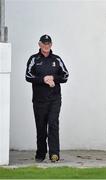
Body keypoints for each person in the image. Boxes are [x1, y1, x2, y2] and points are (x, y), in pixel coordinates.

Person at [25, 34, 69, 162]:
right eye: (44, 44)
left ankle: (54, 154)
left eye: (48, 44)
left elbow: (65, 76)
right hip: (39, 100)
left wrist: (54, 78)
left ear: (51, 44)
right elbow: (28, 76)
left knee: (53, 124)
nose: (46, 46)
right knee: (41, 127)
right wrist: (43, 80)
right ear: (39, 44)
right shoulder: (34, 59)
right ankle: (40, 153)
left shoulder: (57, 59)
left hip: (54, 99)